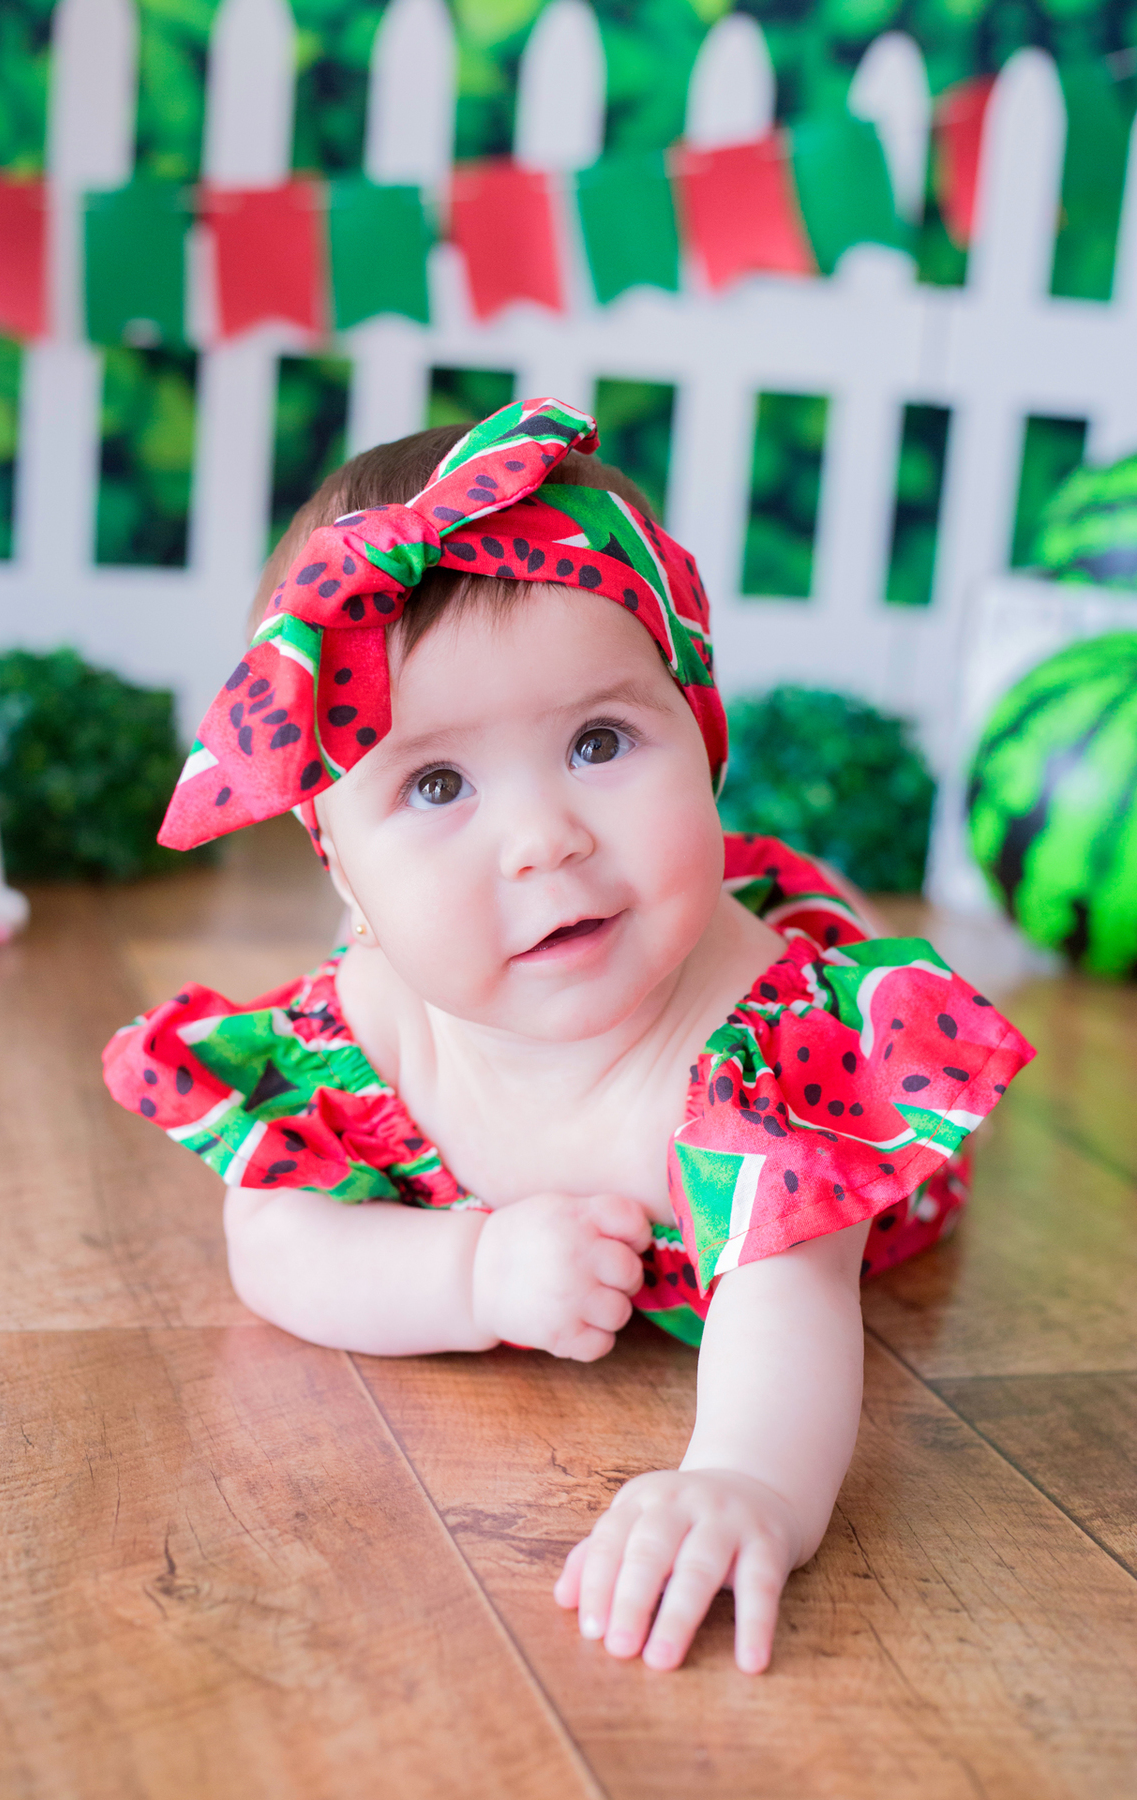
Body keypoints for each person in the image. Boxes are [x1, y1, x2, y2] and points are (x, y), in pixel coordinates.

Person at [104, 398, 1033, 1675]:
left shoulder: (759, 1055)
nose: (545, 838)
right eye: (437, 785)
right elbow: (270, 1239)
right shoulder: (368, 1023)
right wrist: (469, 1278)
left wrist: (748, 1482)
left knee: (787, 925)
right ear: (347, 879)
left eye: (601, 741)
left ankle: (803, 902)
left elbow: (787, 1297)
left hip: (821, 1175)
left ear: (698, 738)